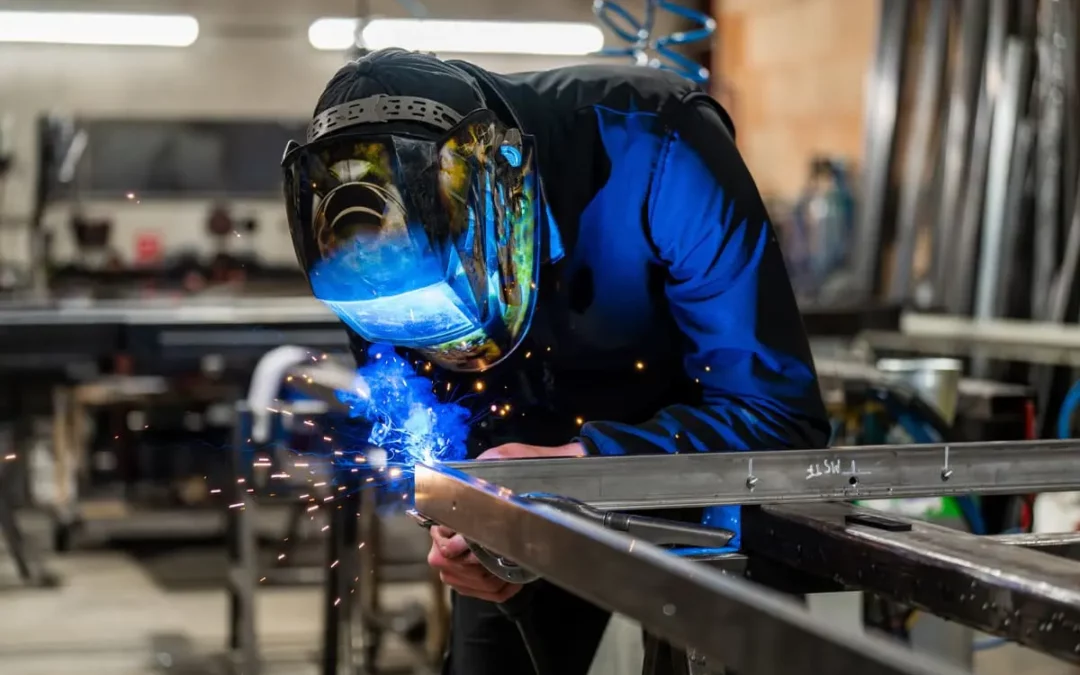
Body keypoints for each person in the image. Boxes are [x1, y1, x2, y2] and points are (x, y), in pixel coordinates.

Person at [282, 48, 829, 675]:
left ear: (502, 188)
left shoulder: (662, 145)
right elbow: (435, 431)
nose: (444, 345)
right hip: (527, 486)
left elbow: (781, 419)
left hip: (702, 470)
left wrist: (585, 467)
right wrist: (456, 521)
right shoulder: (369, 262)